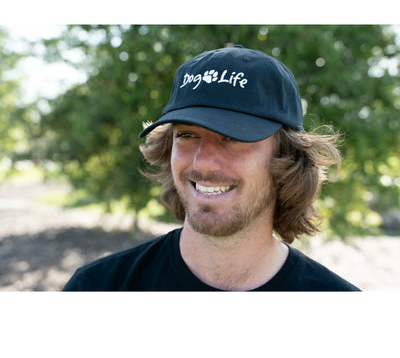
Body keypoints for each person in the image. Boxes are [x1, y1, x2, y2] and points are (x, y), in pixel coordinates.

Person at [63, 45, 360, 291]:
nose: (202, 161)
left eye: (233, 136)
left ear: (287, 157)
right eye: (186, 135)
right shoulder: (97, 289)